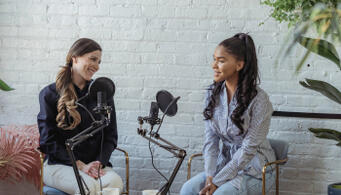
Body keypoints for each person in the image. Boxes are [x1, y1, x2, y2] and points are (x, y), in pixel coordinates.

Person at [180, 33, 276, 195]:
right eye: (214, 59)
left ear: (239, 65)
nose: (214, 65)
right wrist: (210, 175)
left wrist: (217, 181)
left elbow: (248, 149)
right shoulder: (212, 94)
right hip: (224, 166)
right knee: (188, 189)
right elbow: (210, 141)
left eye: (221, 61)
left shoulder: (260, 100)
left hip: (256, 170)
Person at [38, 38, 123, 195]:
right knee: (88, 186)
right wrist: (80, 166)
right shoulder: (49, 94)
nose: (96, 66)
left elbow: (111, 135)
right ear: (74, 58)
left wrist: (99, 162)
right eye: (92, 59)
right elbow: (48, 142)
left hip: (95, 165)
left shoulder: (102, 93)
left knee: (114, 182)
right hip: (60, 165)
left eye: (99, 61)